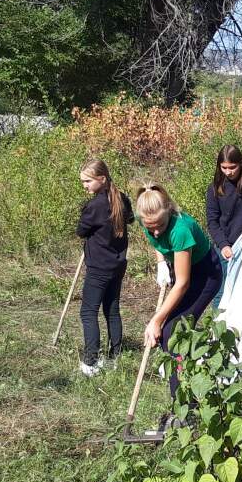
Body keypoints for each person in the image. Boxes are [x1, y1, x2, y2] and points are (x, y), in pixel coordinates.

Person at [137, 184, 223, 397]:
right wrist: (161, 263)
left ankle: (185, 404)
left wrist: (156, 321)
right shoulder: (147, 219)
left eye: (159, 225)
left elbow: (183, 284)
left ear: (168, 211)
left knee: (173, 332)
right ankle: (183, 382)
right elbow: (157, 242)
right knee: (173, 335)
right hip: (181, 269)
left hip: (205, 275)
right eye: (150, 227)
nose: (155, 231)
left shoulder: (181, 230)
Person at [75, 159, 134, 377]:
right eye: (83, 181)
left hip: (99, 267)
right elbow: (131, 219)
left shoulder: (95, 206)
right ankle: (114, 357)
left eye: (88, 181)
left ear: (102, 178)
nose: (85, 185)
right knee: (112, 310)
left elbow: (81, 231)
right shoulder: (122, 198)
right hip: (117, 265)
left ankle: (91, 361)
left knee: (88, 312)